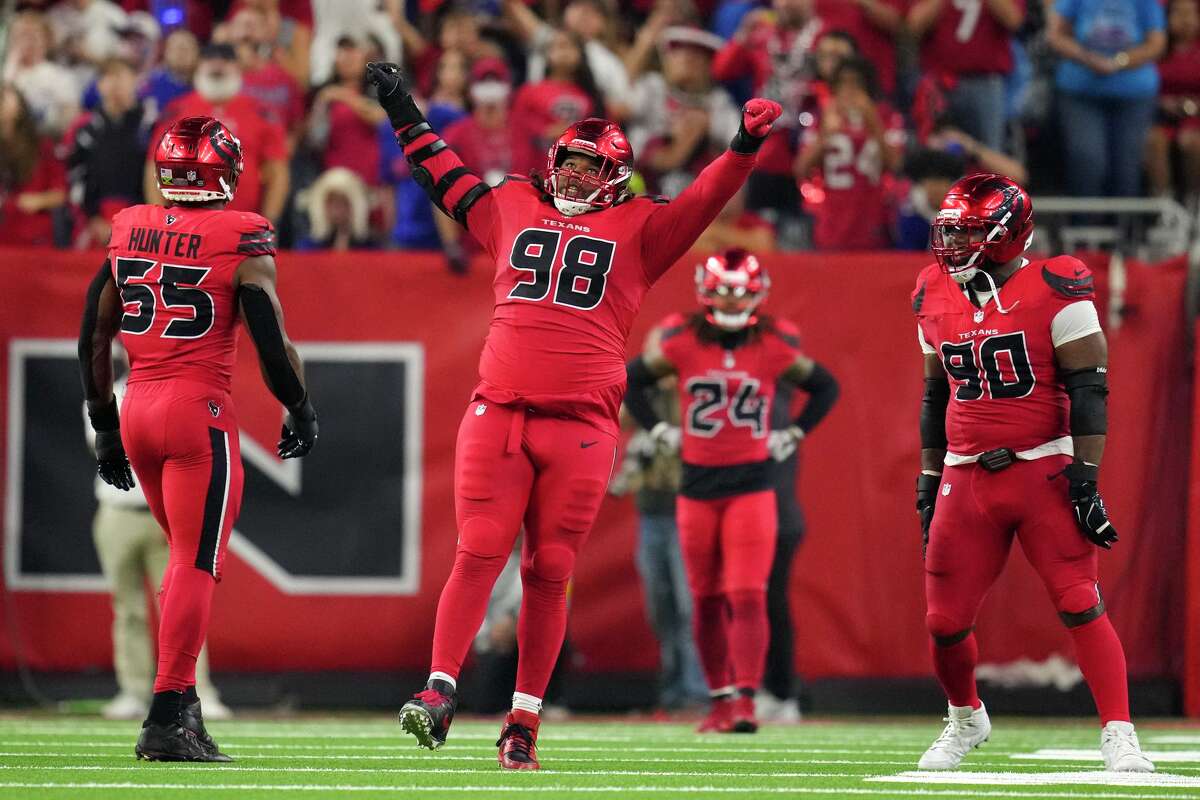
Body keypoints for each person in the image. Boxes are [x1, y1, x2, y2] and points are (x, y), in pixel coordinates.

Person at [365, 60, 781, 769]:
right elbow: (446, 176)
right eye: (572, 162)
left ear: (618, 176)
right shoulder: (512, 203)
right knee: (477, 551)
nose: (579, 176)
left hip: (583, 424)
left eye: (594, 167)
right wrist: (406, 112)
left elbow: (706, 197)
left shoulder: (643, 228)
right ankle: (439, 690)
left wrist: (740, 145)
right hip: (498, 411)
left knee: (550, 569)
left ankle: (523, 721)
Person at [78, 115, 319, 761]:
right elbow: (269, 338)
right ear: (229, 170)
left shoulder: (130, 224)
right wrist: (299, 407)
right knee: (192, 561)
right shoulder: (240, 232)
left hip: (139, 409)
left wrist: (105, 425)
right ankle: (167, 713)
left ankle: (180, 708)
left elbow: (94, 334)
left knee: (182, 560)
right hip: (195, 412)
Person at [911, 173, 1154, 773]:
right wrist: (926, 474)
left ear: (1003, 234)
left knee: (1080, 601)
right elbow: (934, 396)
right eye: (951, 231)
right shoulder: (932, 289)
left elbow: (1089, 389)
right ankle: (965, 717)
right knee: (943, 620)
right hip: (965, 474)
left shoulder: (1055, 283)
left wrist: (1086, 476)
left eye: (967, 232)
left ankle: (1120, 732)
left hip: (1041, 466)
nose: (952, 244)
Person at [624, 249, 838, 734]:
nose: (731, 299)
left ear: (758, 294)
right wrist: (659, 430)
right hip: (696, 487)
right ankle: (719, 701)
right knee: (703, 599)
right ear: (705, 289)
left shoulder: (775, 342)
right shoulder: (680, 339)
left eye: (740, 291)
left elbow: (826, 387)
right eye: (723, 290)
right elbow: (631, 381)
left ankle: (744, 700)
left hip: (751, 486)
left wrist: (795, 432)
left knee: (746, 594)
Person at [85, 373, 230, 722]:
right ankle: (133, 691)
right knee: (128, 607)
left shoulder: (180, 391)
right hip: (118, 511)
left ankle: (197, 691)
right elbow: (110, 441)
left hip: (167, 510)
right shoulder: (108, 391)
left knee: (181, 606)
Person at [145, 44, 290, 224]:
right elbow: (155, 168)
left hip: (243, 228)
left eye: (226, 60)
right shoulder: (176, 111)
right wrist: (161, 219)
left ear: (238, 67)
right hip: (186, 228)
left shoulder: (260, 113)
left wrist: (270, 222)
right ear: (198, 65)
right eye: (209, 59)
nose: (217, 65)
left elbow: (277, 172)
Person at [1046, 0, 1165, 198]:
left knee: (1126, 167)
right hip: (1081, 92)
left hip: (1134, 95)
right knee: (1088, 161)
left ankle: (1125, 226)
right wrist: (1086, 57)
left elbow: (1156, 42)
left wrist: (1119, 62)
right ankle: (1085, 226)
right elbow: (1056, 35)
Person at [794, 57, 904, 250]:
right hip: (832, 217)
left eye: (855, 83)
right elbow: (800, 169)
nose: (849, 90)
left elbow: (897, 166)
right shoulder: (822, 116)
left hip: (872, 215)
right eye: (843, 82)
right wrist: (825, 135)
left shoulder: (885, 116)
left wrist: (873, 122)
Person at [906, 0, 1024, 152]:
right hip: (939, 83)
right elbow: (914, 25)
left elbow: (1014, 20)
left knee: (989, 153)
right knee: (934, 151)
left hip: (985, 82)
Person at [65, 58, 156, 249]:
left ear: (135, 82)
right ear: (99, 85)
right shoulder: (85, 128)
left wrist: (150, 219)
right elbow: (76, 175)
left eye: (122, 76)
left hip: (145, 224)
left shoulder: (151, 126)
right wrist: (92, 218)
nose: (115, 84)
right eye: (108, 77)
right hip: (96, 224)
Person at [1145, 0, 1200, 203]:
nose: (1186, 21)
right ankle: (1163, 206)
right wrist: (1162, 103)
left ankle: (1194, 205)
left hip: (1196, 119)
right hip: (1161, 116)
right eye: (1179, 14)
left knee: (1193, 143)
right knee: (1153, 141)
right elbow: (1146, 85)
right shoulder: (1157, 48)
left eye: (1191, 14)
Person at [0, 83, 66, 247]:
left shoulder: (41, 146)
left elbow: (60, 193)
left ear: (20, 107)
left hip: (33, 235)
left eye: (3, 97)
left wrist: (38, 200)